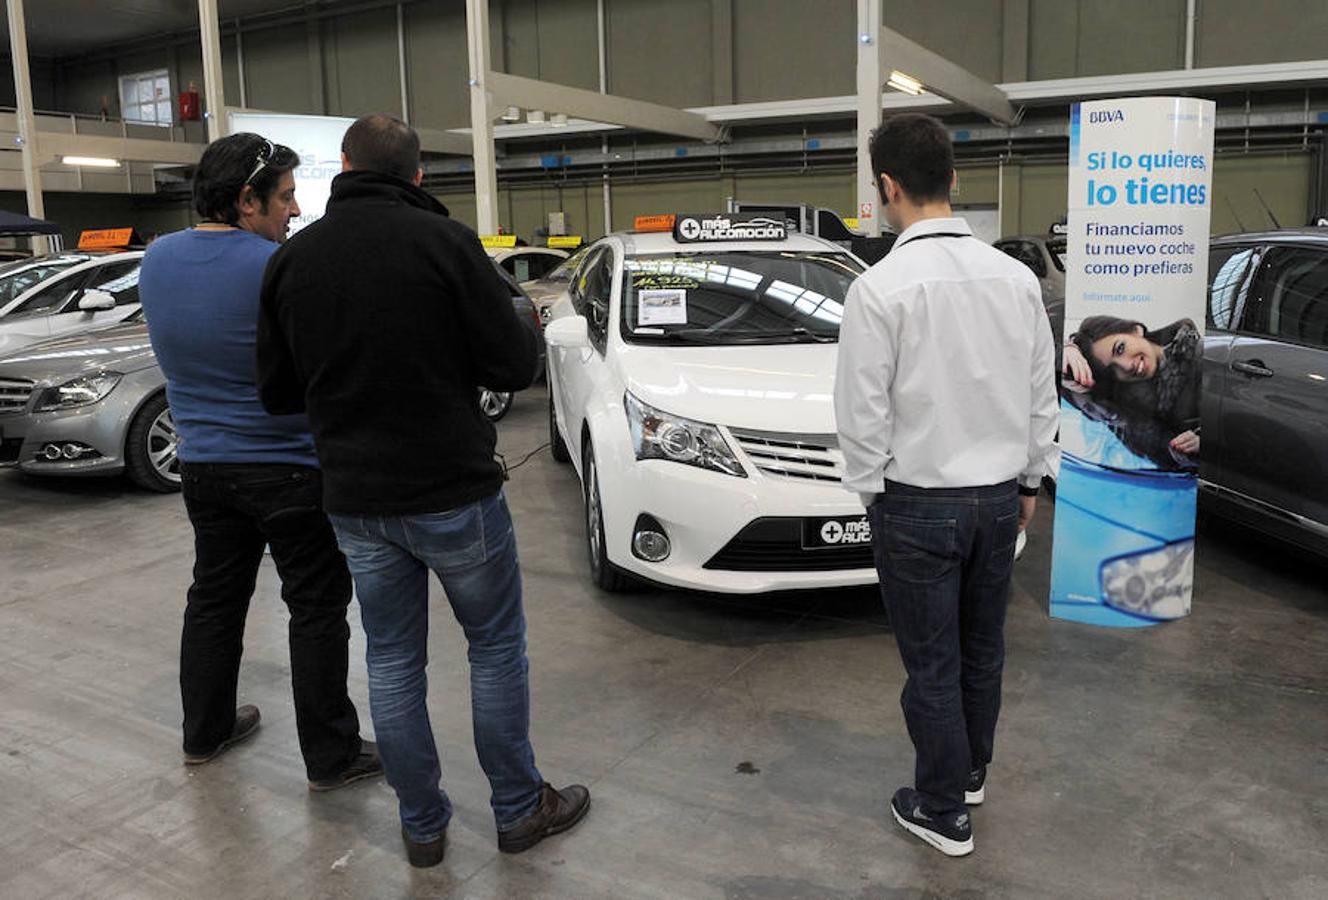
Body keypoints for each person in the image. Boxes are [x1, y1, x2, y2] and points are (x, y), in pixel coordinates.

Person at [256, 114, 589, 868]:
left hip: (355, 499)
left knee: (393, 662)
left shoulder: (292, 261)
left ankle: (422, 826)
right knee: (495, 649)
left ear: (341, 166)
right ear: (417, 177)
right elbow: (511, 366)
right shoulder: (445, 243)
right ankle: (517, 808)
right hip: (451, 491)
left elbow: (276, 393)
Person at [833, 113, 1058, 857]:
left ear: (887, 187)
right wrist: (1030, 481)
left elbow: (862, 414)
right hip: (999, 501)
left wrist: (871, 495)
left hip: (916, 505)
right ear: (954, 180)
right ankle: (967, 774)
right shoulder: (1017, 279)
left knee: (930, 661)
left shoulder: (879, 290)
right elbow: (1038, 396)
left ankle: (940, 809)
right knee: (982, 648)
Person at [138, 133, 382, 792]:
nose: (294, 211)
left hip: (205, 468)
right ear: (247, 200)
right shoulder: (279, 266)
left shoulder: (156, 260)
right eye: (285, 197)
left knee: (214, 600)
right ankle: (331, 756)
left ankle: (204, 731)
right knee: (316, 608)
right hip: (289, 468)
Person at [1062, 316, 1201, 457]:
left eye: (1120, 349)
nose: (1127, 366)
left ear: (1136, 329)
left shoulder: (1198, 352)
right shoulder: (1141, 420)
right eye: (1112, 371)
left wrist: (1068, 346)